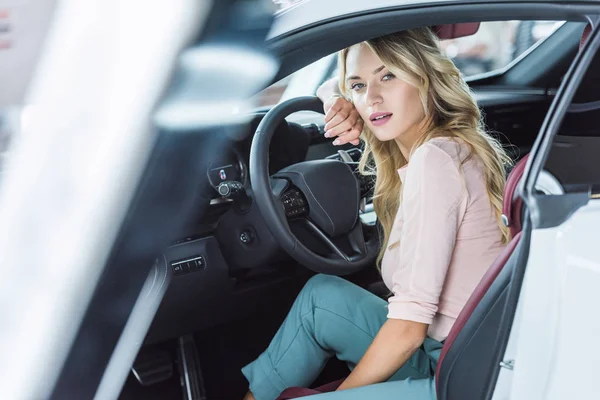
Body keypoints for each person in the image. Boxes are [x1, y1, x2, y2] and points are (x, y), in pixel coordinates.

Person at [242, 27, 511, 400]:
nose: (372, 98)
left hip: (467, 379)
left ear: (426, 76)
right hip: (458, 351)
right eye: (358, 85)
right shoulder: (442, 147)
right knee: (322, 297)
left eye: (388, 75)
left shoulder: (434, 161)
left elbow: (408, 328)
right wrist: (336, 97)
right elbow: (340, 91)